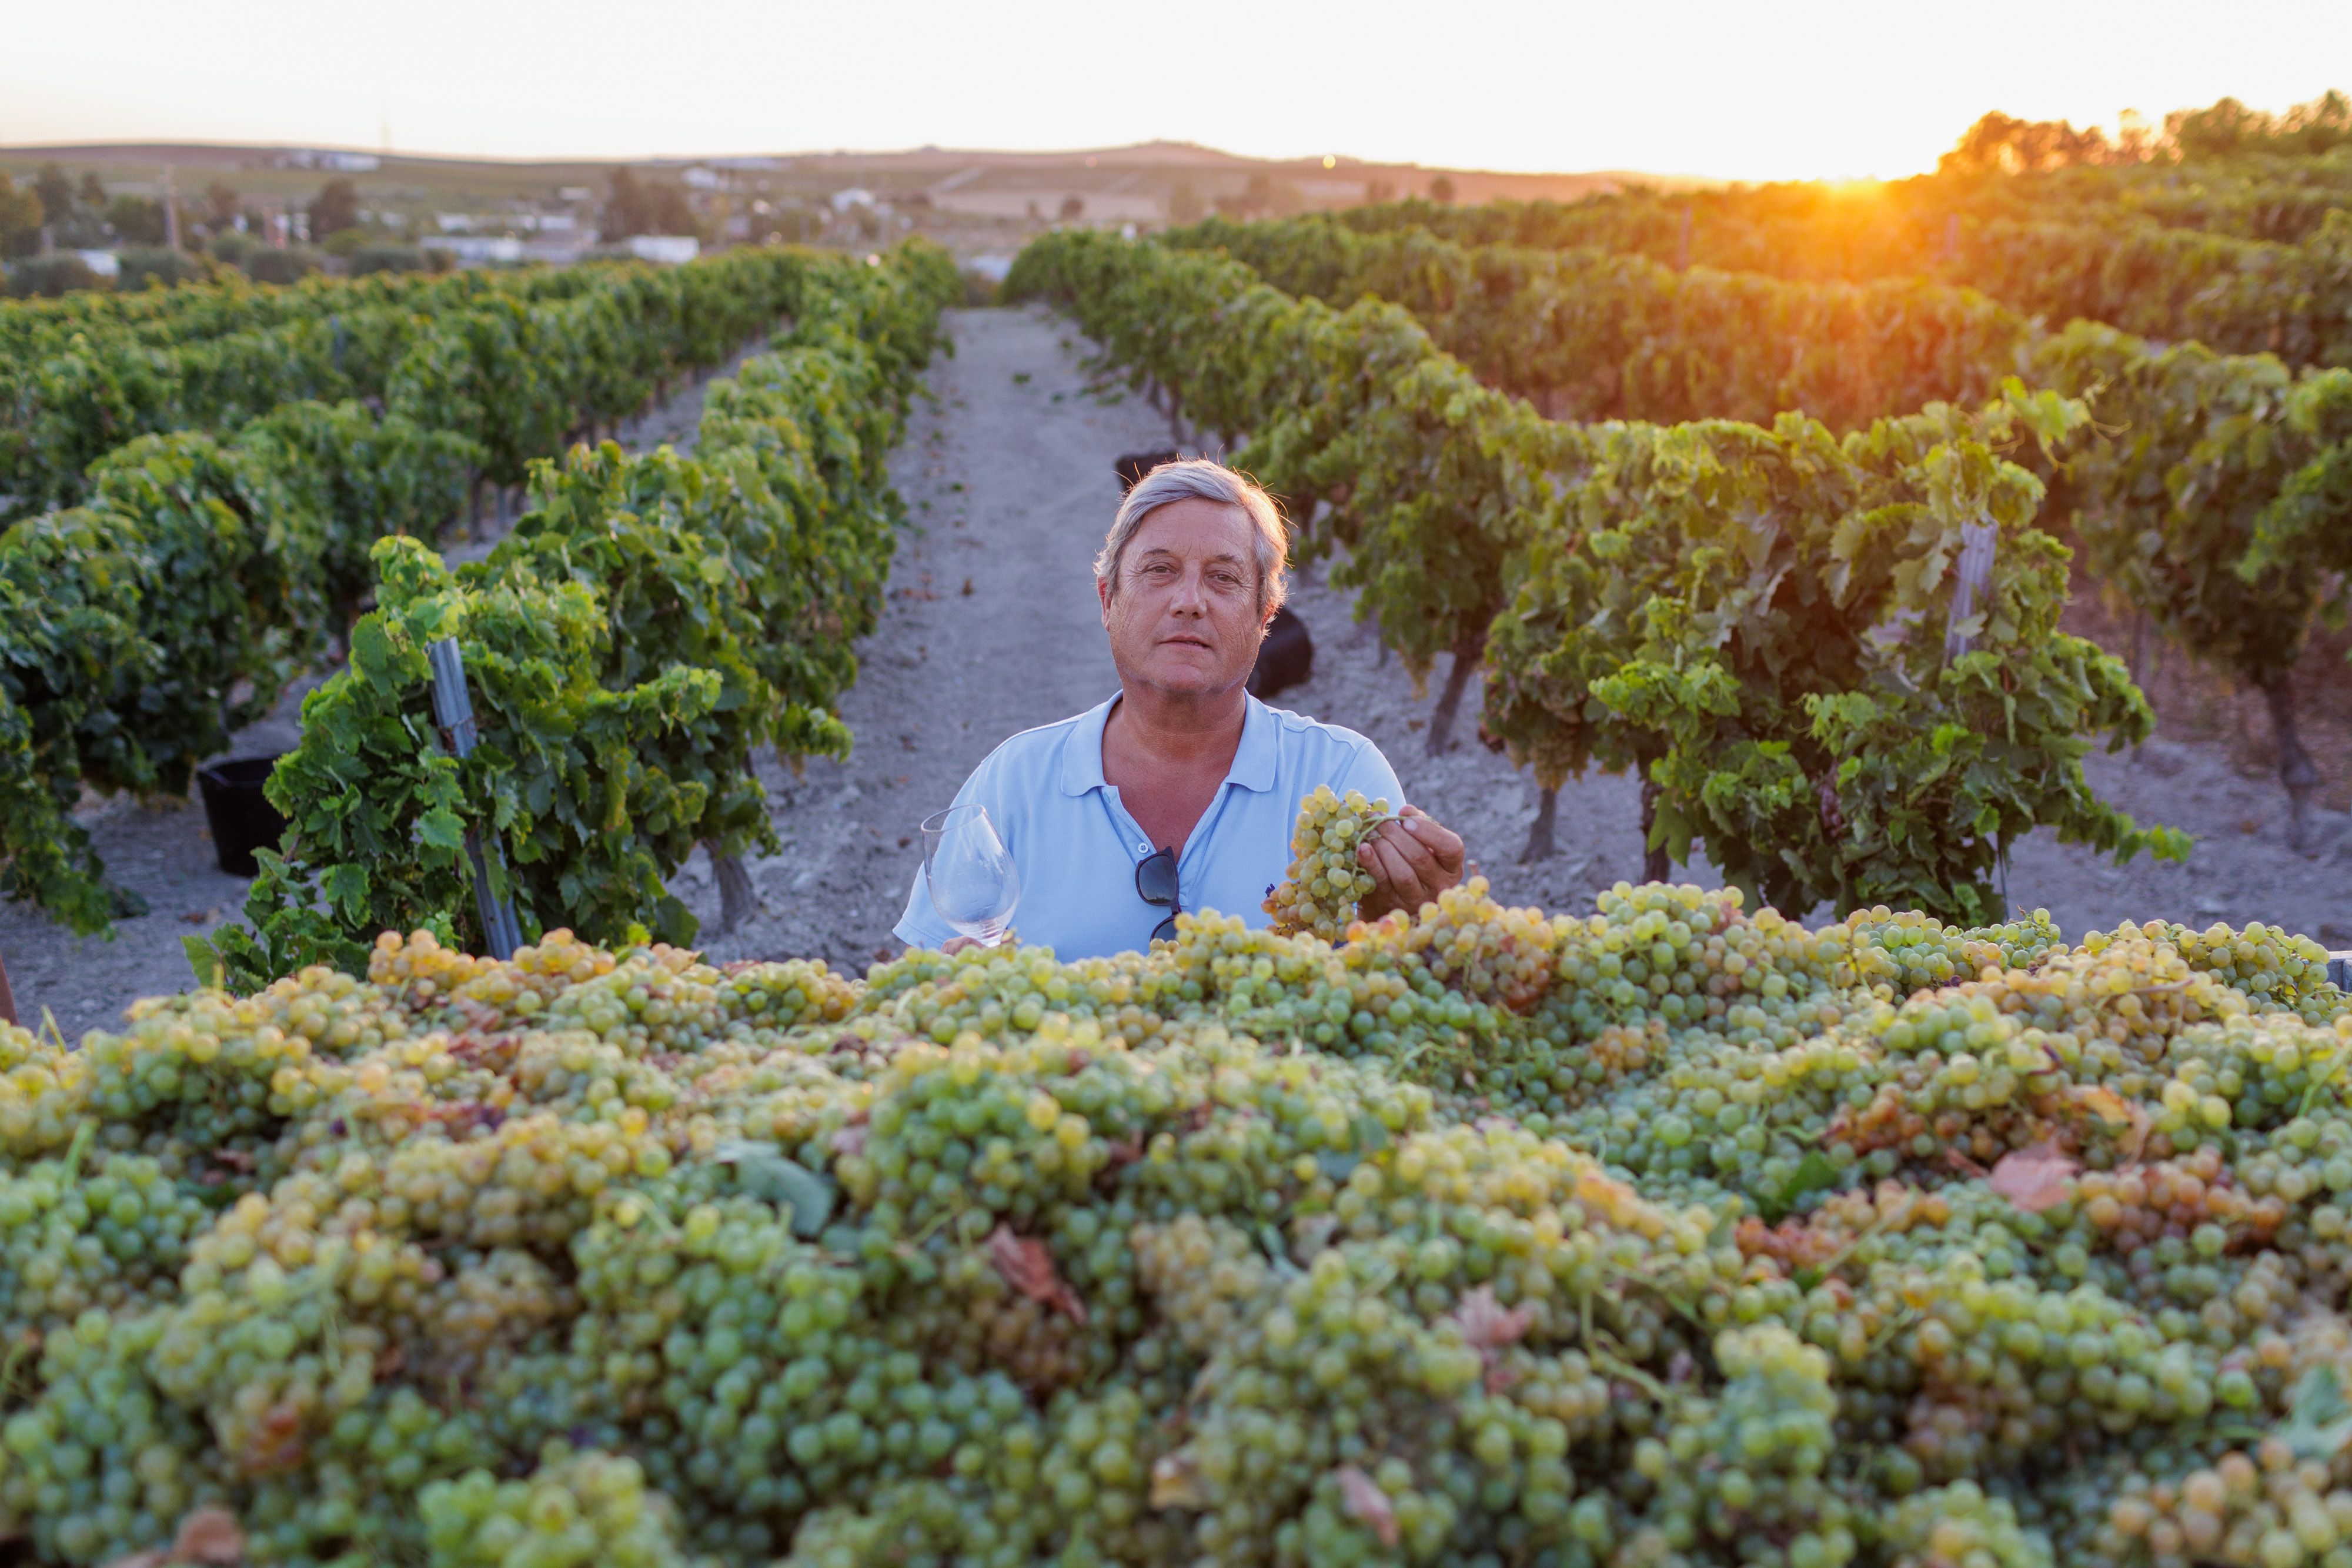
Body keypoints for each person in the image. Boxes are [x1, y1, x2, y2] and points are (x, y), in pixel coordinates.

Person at [894, 459, 1465, 958]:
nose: (1189, 602)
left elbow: (1401, 989)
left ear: (1265, 617)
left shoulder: (1341, 778)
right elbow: (921, 979)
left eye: (1222, 578)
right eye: (1160, 570)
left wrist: (1421, 927)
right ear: (1107, 600)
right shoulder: (1012, 783)